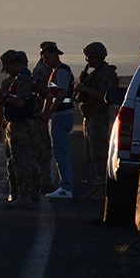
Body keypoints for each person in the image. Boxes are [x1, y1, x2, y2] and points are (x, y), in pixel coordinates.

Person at [0, 50, 40, 204]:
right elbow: (1, 106)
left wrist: (4, 95)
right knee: (16, 160)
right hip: (14, 124)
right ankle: (19, 193)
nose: (7, 71)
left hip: (22, 124)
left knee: (21, 161)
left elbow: (21, 102)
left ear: (15, 64)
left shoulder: (24, 79)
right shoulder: (11, 81)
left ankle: (26, 195)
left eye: (8, 67)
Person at [73, 42, 119, 199]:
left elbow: (105, 96)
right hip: (90, 116)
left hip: (98, 117)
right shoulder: (94, 72)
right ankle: (95, 185)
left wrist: (84, 89)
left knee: (99, 153)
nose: (87, 59)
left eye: (89, 56)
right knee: (90, 154)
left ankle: (102, 187)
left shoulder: (105, 74)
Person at [39, 41, 76, 199]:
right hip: (61, 116)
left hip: (61, 116)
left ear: (55, 54)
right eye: (43, 58)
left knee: (60, 152)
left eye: (47, 57)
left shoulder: (60, 72)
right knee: (60, 151)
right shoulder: (58, 71)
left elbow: (61, 94)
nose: (45, 60)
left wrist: (50, 112)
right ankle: (65, 186)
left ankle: (66, 188)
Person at [29, 52, 54, 189]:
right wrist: (45, 114)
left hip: (39, 115)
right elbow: (48, 95)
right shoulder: (41, 71)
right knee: (42, 150)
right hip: (39, 116)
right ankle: (43, 181)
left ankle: (42, 181)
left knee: (40, 150)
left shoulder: (44, 70)